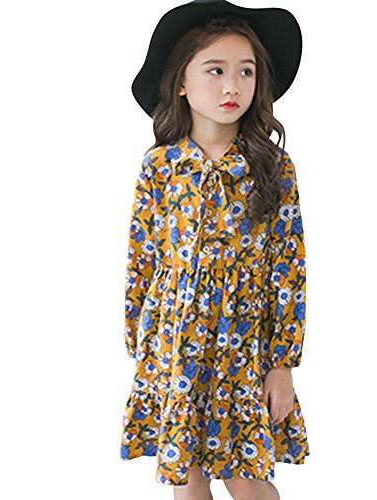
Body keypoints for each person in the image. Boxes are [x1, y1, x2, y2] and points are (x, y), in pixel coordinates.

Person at [119, 1, 310, 498]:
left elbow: (289, 269)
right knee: (187, 483)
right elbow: (142, 258)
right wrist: (140, 344)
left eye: (245, 72)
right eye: (215, 70)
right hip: (174, 346)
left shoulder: (273, 168)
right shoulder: (160, 167)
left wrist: (283, 364)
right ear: (181, 82)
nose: (232, 87)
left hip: (241, 350)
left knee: (248, 483)